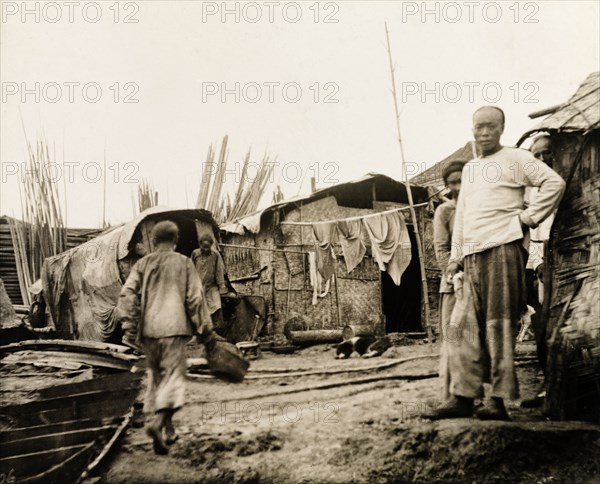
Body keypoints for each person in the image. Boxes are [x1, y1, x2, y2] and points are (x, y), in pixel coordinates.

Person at [428, 106, 565, 420]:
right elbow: (462, 218)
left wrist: (527, 218)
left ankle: (498, 401)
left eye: (491, 126)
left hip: (503, 251)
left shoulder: (516, 159)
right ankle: (463, 397)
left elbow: (553, 184)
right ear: (472, 130)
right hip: (472, 257)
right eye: (479, 127)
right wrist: (455, 258)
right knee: (460, 326)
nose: (484, 132)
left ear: (502, 128)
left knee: (498, 327)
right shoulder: (473, 169)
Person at [118, 221, 213, 454]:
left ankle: (168, 431)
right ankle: (158, 423)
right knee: (173, 378)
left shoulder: (143, 264)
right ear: (176, 239)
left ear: (154, 239)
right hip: (174, 328)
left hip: (149, 331)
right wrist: (204, 327)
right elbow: (195, 299)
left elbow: (127, 293)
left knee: (158, 378)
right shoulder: (184, 263)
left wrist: (129, 323)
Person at [521, 134, 557, 407]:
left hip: (570, 260)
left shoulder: (566, 185)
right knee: (541, 321)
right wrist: (537, 262)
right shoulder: (532, 192)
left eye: (548, 153)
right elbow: (534, 235)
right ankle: (549, 384)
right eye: (538, 156)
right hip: (541, 261)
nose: (543, 160)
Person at [433, 160, 467, 401]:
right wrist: (452, 271)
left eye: (461, 180)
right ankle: (450, 395)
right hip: (453, 282)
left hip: (476, 280)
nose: (457, 186)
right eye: (452, 182)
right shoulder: (445, 211)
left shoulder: (478, 208)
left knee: (475, 339)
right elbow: (441, 248)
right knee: (452, 336)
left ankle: (470, 393)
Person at [191, 235, 229, 331]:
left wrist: (221, 286)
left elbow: (219, 270)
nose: (206, 249)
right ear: (200, 245)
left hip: (212, 287)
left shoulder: (215, 255)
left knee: (216, 307)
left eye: (208, 247)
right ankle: (202, 333)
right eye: (204, 247)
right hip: (198, 287)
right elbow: (190, 269)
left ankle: (217, 332)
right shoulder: (195, 254)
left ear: (211, 246)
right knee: (200, 310)